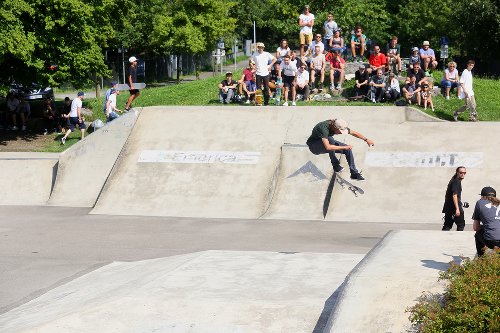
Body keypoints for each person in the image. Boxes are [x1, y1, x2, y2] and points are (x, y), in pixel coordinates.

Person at [306, 118, 374, 181]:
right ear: (334, 127)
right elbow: (328, 147)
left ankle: (354, 174)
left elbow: (354, 133)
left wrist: (366, 140)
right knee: (331, 140)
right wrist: (344, 147)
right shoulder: (323, 128)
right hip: (314, 147)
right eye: (340, 132)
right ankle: (335, 165)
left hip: (326, 144)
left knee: (348, 149)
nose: (340, 133)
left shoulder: (338, 124)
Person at [472, 186, 500, 256]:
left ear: (482, 196)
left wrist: (485, 227)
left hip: (492, 241)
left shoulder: (480, 203)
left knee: (477, 234)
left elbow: (475, 227)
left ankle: (481, 259)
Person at [442, 166, 467, 231]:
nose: (463, 174)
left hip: (449, 207)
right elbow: (454, 195)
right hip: (454, 208)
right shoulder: (456, 181)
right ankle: (459, 239)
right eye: (461, 172)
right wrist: (457, 209)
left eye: (464, 173)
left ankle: (442, 239)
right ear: (457, 172)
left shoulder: (453, 180)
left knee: (447, 225)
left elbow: (449, 195)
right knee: (461, 225)